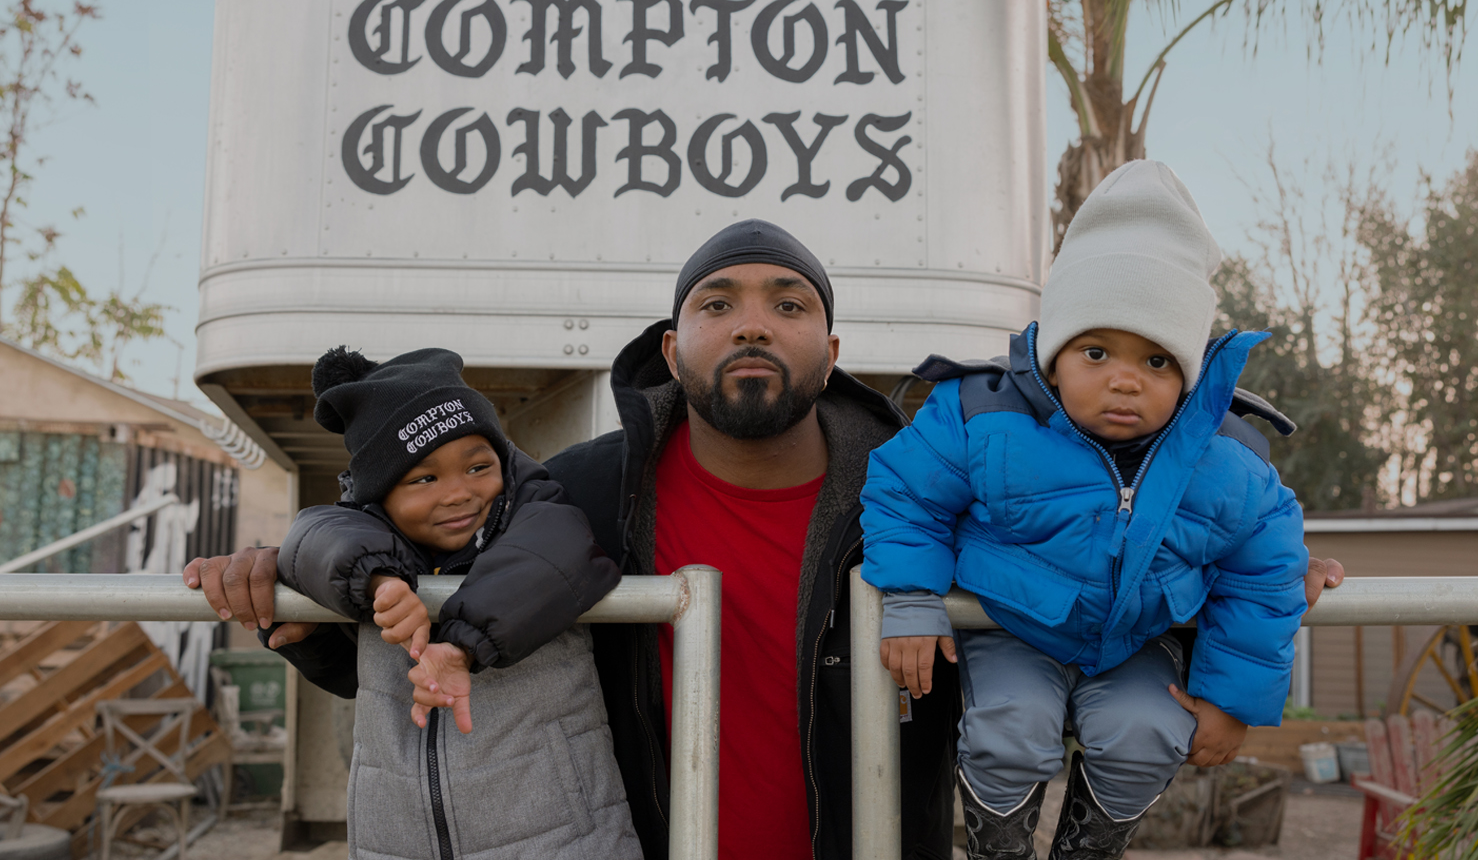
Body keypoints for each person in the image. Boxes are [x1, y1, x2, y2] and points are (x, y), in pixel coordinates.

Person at [185, 219, 1345, 860]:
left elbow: (1100, 565)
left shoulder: (916, 494)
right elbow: (430, 624)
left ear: (829, 353)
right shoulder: (581, 495)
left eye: (788, 304)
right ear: (673, 346)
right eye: (719, 301)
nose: (753, 319)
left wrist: (1277, 584)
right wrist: (292, 595)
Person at [862, 161, 1315, 860]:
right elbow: (906, 491)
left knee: (1146, 731)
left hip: (1137, 642)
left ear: (1191, 370)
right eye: (1097, 351)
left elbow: (1266, 571)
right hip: (1014, 628)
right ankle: (999, 850)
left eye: (1158, 360)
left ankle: (1088, 849)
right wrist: (913, 595)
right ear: (1052, 353)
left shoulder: (1229, 461)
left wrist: (1232, 698)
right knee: (1010, 728)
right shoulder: (982, 413)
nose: (1125, 378)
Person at [263, 345, 640, 860]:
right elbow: (315, 534)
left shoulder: (538, 512)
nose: (460, 493)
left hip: (564, 840)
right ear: (379, 498)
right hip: (394, 844)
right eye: (425, 478)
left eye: (478, 466)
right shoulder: (363, 536)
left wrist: (460, 645)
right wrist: (381, 584)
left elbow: (553, 555)